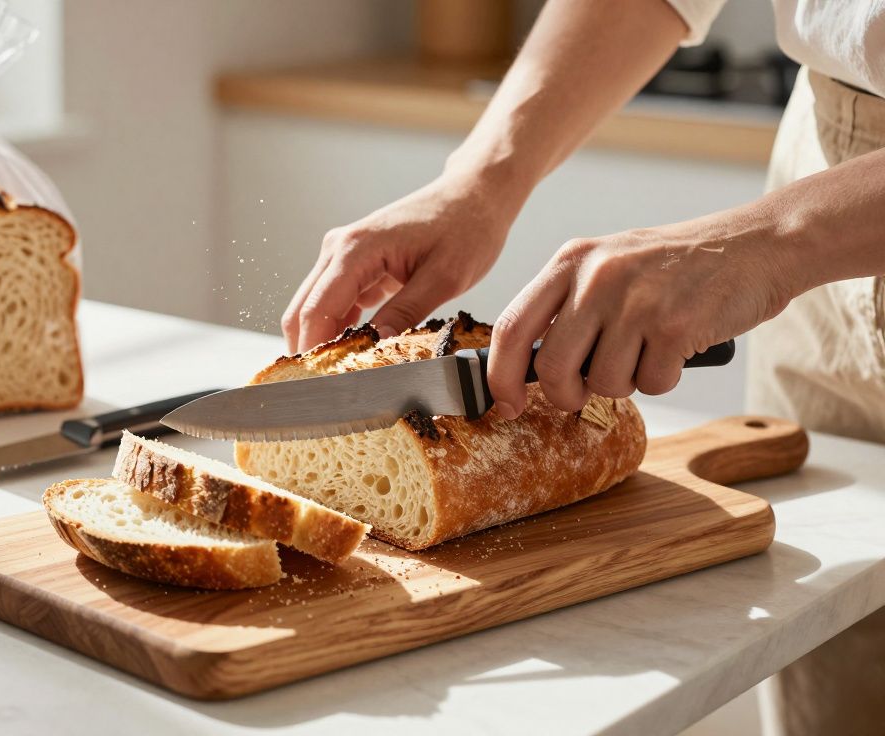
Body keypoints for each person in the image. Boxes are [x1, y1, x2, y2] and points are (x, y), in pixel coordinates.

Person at [281, 1, 885, 734]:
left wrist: (772, 238)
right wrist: (479, 179)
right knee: (840, 668)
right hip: (828, 166)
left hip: (814, 225)